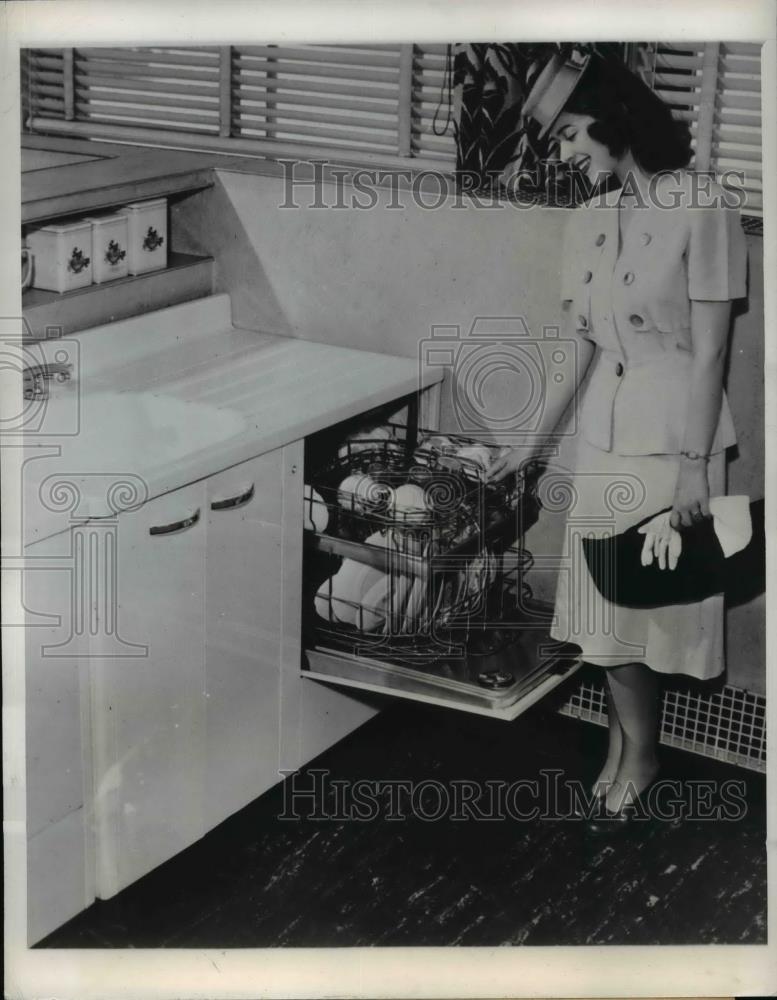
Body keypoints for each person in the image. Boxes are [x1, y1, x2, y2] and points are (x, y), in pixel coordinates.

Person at [486, 50, 748, 828]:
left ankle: (640, 752)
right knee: (605, 615)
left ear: (613, 120)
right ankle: (626, 744)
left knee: (641, 611)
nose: (563, 154)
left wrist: (698, 469)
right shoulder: (590, 219)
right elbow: (580, 345)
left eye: (569, 135)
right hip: (604, 435)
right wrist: (530, 445)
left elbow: (709, 351)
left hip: (675, 442)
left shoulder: (702, 205)